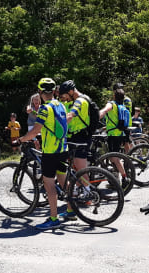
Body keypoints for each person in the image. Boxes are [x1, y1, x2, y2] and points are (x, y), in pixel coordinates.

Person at [17, 78, 68, 230]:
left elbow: (36, 129)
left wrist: (21, 139)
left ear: (40, 92)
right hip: (62, 148)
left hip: (50, 151)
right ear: (54, 91)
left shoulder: (45, 109)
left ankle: (53, 218)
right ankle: (71, 210)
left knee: (49, 184)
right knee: (64, 181)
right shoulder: (62, 106)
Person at [59, 80, 95, 220]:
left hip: (81, 137)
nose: (63, 98)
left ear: (71, 92)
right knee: (75, 168)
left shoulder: (80, 101)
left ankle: (87, 195)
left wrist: (58, 128)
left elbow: (71, 115)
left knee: (81, 169)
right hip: (75, 137)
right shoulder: (74, 100)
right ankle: (78, 191)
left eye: (64, 96)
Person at [99, 87, 129, 184]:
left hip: (113, 134)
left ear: (114, 96)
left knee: (114, 158)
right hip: (119, 133)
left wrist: (96, 117)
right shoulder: (121, 105)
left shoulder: (111, 104)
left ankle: (124, 177)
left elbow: (105, 110)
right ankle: (115, 177)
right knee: (113, 157)